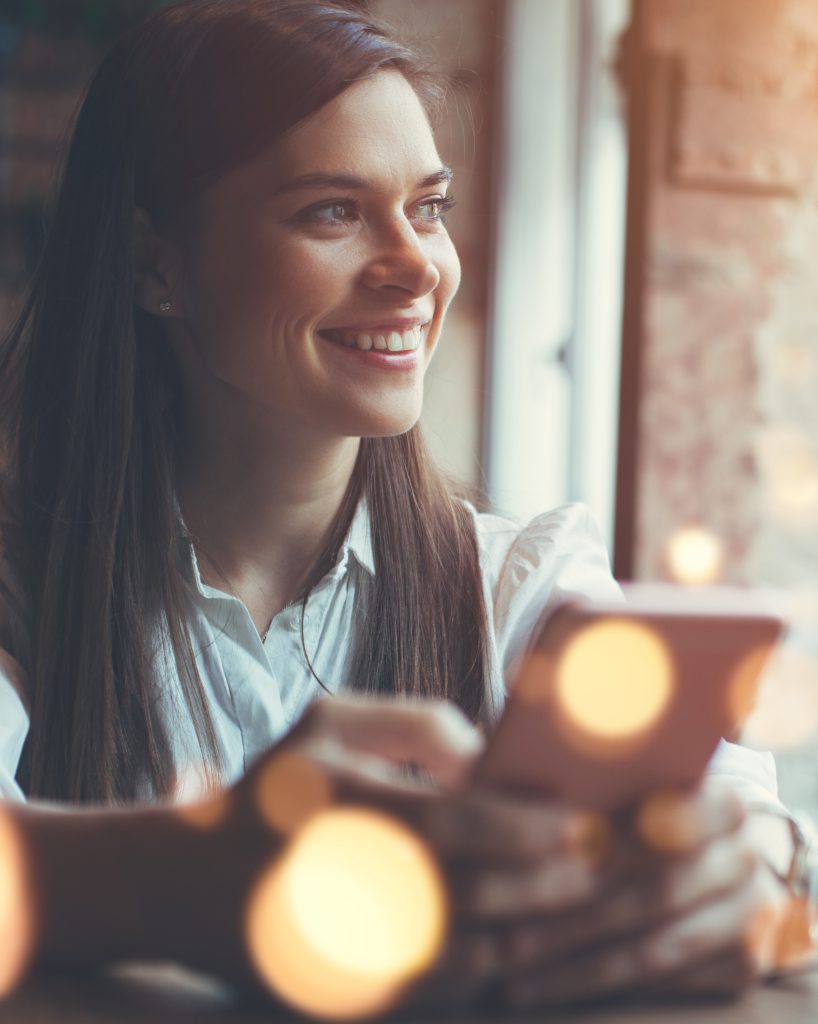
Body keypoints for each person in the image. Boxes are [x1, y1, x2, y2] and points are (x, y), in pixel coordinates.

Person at [0, 0, 801, 1009]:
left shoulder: (514, 587)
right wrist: (203, 875)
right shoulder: (23, 585)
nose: (417, 265)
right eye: (331, 211)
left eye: (426, 205)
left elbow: (737, 820)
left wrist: (748, 858)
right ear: (154, 262)